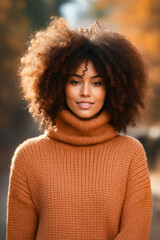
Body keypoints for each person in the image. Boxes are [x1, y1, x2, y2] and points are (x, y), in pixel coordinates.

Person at [7, 17, 152, 239]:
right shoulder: (28, 156)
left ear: (114, 89)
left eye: (97, 83)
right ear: (56, 85)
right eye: (75, 81)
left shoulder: (131, 154)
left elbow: (136, 232)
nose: (86, 92)